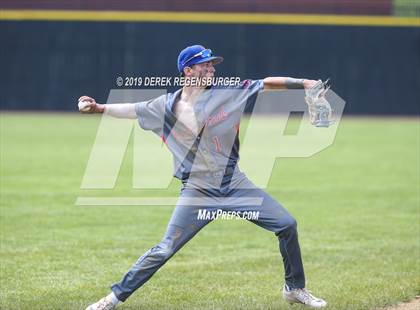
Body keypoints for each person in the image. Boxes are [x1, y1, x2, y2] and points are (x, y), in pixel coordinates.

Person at [81, 45, 327, 309]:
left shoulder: (228, 93)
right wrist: (98, 108)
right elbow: (133, 109)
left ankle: (294, 288)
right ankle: (112, 299)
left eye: (212, 65)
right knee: (165, 248)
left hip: (234, 184)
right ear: (188, 70)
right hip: (197, 190)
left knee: (287, 225)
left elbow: (266, 83)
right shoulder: (164, 107)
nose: (211, 69)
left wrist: (303, 83)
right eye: (205, 65)